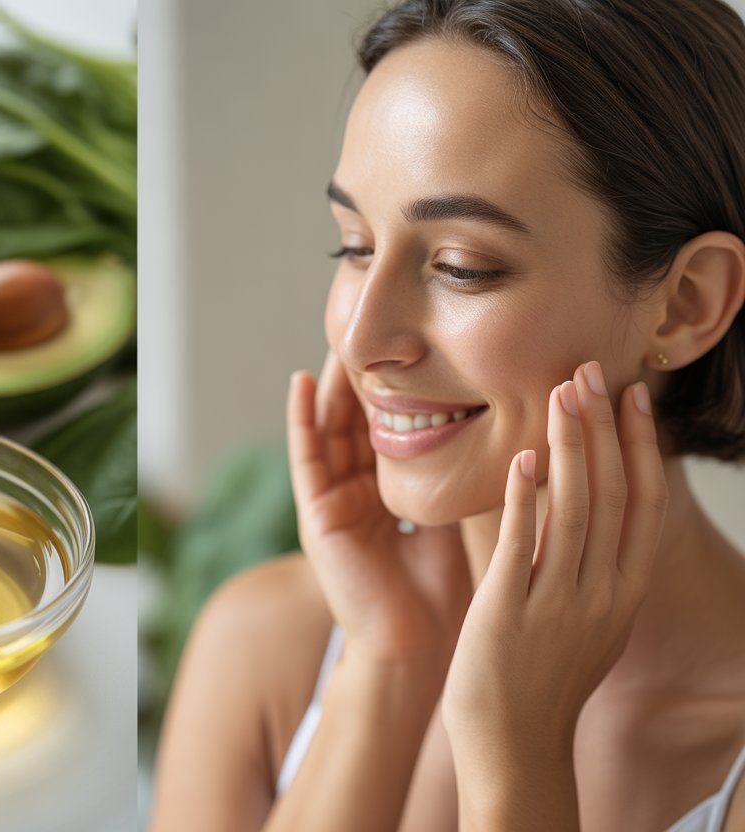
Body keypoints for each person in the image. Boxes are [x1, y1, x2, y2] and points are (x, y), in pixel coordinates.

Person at [148, 0, 745, 829]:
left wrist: (517, 755)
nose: (360, 340)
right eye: (354, 245)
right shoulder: (264, 647)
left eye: (461, 267)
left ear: (684, 303)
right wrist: (386, 668)